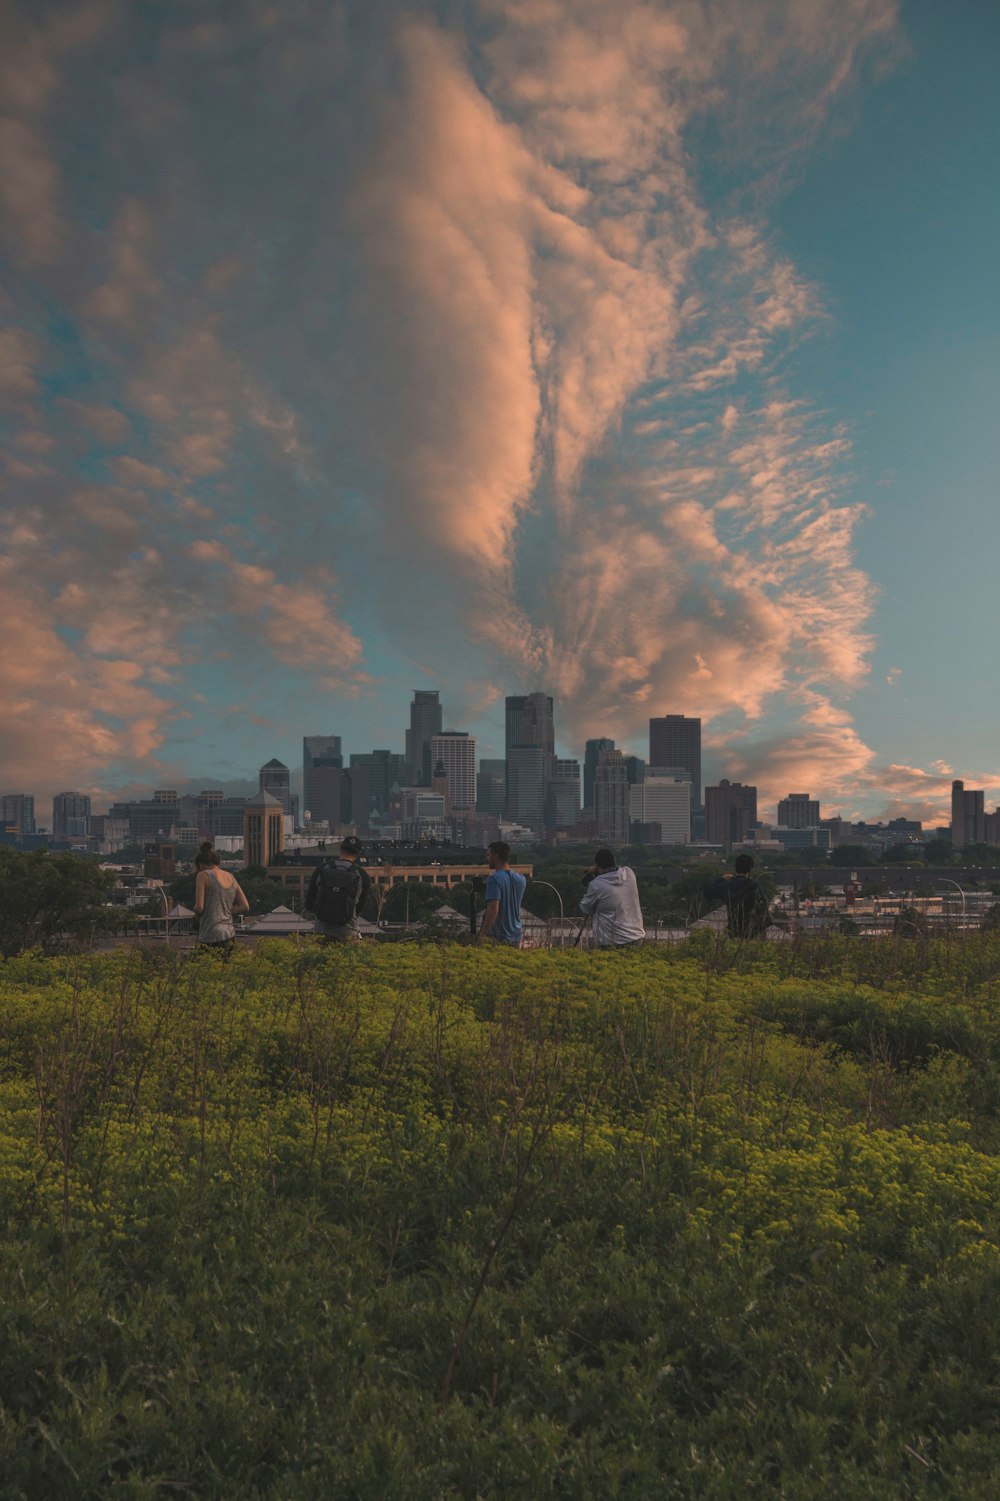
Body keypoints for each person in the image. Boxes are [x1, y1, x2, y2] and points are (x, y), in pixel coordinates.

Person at [305, 835, 373, 942]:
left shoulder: (322, 869)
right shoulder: (361, 875)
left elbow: (309, 903)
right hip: (348, 931)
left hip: (322, 930)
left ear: (341, 849)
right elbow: (360, 907)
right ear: (357, 854)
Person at [579, 848, 646, 949]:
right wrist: (598, 869)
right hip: (636, 936)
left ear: (597, 865)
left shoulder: (596, 885)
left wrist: (592, 879)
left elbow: (585, 908)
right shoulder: (629, 873)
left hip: (611, 940)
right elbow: (615, 869)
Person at [192, 842, 249, 956]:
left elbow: (199, 907)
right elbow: (245, 906)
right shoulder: (230, 876)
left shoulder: (203, 875)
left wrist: (195, 912)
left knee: (200, 970)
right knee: (225, 971)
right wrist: (225, 909)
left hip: (209, 934)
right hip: (229, 934)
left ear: (201, 865)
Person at [704, 853, 772, 938]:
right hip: (751, 932)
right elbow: (764, 906)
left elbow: (707, 892)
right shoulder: (754, 886)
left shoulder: (729, 886)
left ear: (736, 868)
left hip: (733, 930)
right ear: (750, 870)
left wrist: (722, 879)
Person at [476, 840, 526, 947]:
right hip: (516, 935)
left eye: (489, 855)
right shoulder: (521, 879)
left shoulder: (494, 878)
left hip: (499, 936)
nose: (487, 858)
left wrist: (482, 934)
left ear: (496, 856)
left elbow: (493, 910)